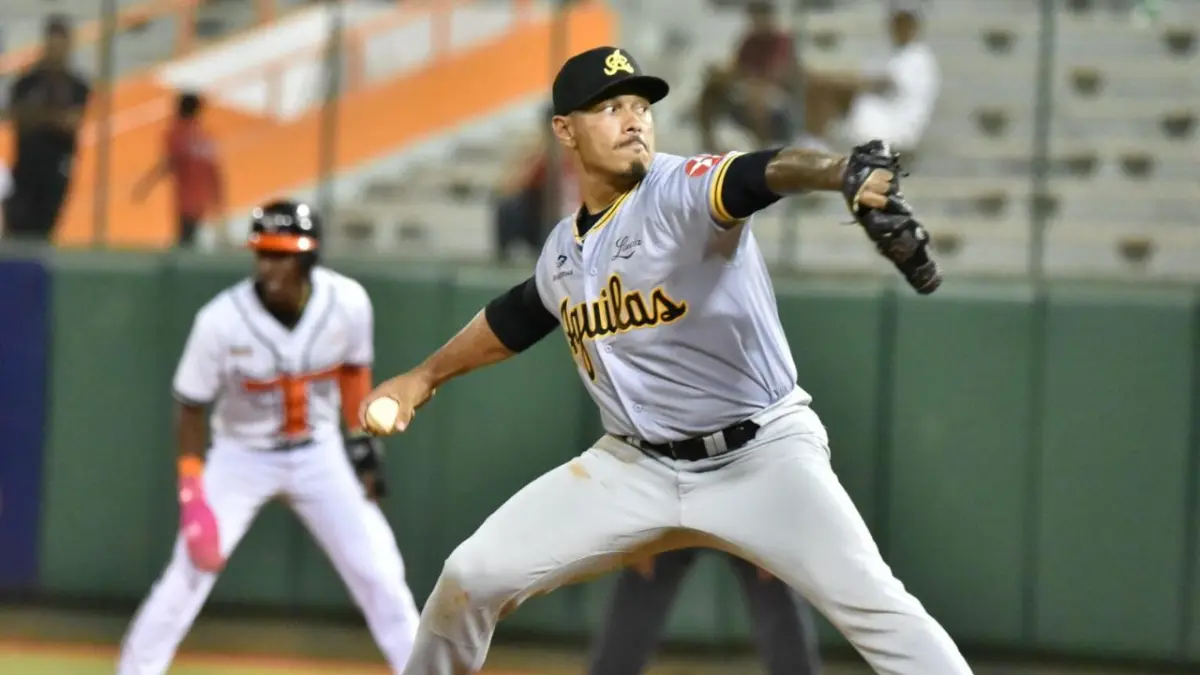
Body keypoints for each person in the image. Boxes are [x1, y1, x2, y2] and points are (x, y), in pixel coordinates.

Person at [359, 46, 964, 675]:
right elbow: (516, 317)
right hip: (635, 467)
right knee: (470, 576)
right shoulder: (564, 247)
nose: (634, 120)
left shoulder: (680, 190)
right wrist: (422, 377)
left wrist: (839, 172)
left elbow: (758, 173)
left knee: (882, 611)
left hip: (761, 457)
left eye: (641, 106)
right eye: (610, 107)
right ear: (565, 129)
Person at [115, 199, 420, 675]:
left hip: (319, 452)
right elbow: (190, 405)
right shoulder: (220, 320)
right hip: (241, 455)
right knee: (187, 575)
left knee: (380, 571)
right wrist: (192, 492)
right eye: (263, 253)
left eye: (282, 255)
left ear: (308, 256)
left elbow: (354, 374)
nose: (269, 266)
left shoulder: (348, 302)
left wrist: (363, 447)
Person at [587, 549, 821, 675]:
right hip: (674, 489)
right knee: (643, 576)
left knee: (775, 582)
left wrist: (771, 525)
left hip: (743, 492)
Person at [802, 0, 940, 154]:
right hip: (875, 115)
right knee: (823, 88)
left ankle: (815, 144)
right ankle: (814, 142)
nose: (899, 26)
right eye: (897, 21)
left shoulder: (919, 57)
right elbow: (861, 76)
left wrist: (829, 79)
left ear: (914, 25)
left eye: (905, 22)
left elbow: (881, 82)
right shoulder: (886, 52)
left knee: (828, 87)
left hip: (894, 127)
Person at [2, 15, 90, 242]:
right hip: (26, 168)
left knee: (44, 232)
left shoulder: (77, 85)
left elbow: (70, 123)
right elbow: (17, 117)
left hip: (57, 170)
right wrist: (53, 118)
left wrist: (38, 116)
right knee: (17, 231)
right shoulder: (27, 82)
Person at [696, 0, 797, 151]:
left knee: (758, 99)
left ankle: (762, 145)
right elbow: (737, 65)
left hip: (773, 89)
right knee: (712, 89)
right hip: (746, 84)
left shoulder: (781, 40)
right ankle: (709, 141)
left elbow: (777, 71)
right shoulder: (750, 40)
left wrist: (751, 79)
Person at [132, 91, 226, 247]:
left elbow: (169, 163)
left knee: (185, 240)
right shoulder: (205, 136)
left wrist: (146, 185)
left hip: (186, 198)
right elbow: (214, 171)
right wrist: (218, 199)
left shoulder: (176, 133)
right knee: (189, 237)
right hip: (202, 197)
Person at [493, 106, 578, 263]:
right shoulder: (540, 158)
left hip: (576, 225)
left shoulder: (584, 156)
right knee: (508, 206)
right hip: (542, 224)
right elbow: (507, 187)